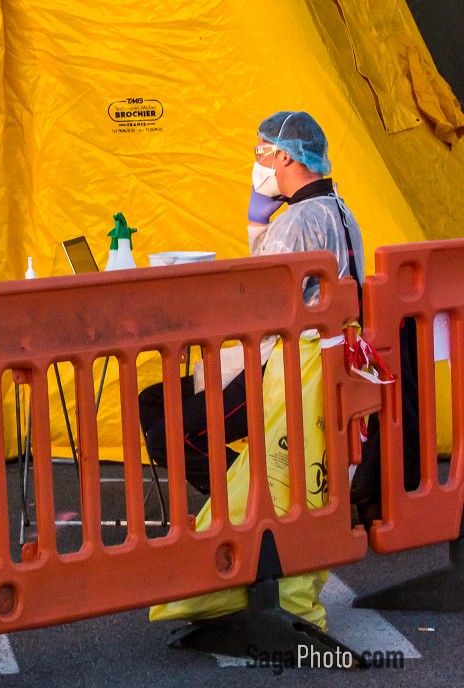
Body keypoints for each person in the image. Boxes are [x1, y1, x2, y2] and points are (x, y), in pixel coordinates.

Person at [139, 111, 365, 494]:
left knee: (166, 435)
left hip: (281, 369)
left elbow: (259, 307)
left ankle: (254, 498)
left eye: (261, 152)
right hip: (312, 360)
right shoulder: (340, 211)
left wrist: (258, 228)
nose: (257, 164)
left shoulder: (297, 223)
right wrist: (261, 228)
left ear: (285, 157)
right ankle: (253, 490)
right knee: (152, 401)